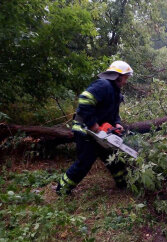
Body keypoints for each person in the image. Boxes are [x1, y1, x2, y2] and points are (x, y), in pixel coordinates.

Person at [56, 61, 133, 195]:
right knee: (85, 162)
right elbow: (85, 100)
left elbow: (114, 114)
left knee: (113, 158)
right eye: (125, 78)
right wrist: (93, 125)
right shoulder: (103, 85)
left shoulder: (116, 92)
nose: (126, 81)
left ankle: (124, 183)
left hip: (100, 134)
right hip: (85, 129)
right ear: (118, 76)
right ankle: (62, 189)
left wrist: (117, 123)